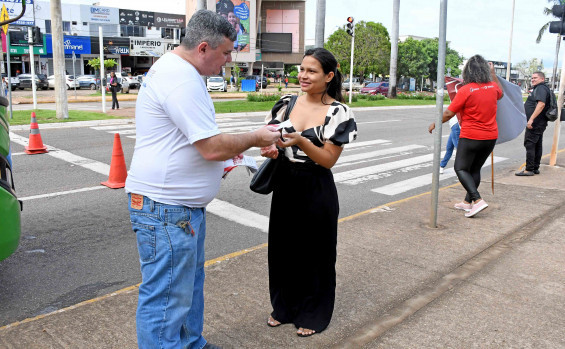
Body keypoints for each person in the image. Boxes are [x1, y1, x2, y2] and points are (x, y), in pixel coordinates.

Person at [124, 10, 280, 349]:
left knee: (187, 287)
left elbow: (193, 141)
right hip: (166, 209)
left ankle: (190, 343)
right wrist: (256, 137)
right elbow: (210, 148)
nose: (228, 60)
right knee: (166, 296)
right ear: (204, 48)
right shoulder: (180, 79)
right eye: (226, 53)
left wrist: (236, 153)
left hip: (179, 210)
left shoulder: (181, 72)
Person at [260, 48, 357, 337]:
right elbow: (271, 139)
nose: (303, 75)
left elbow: (327, 160)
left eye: (311, 71)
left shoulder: (338, 112)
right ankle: (284, 308)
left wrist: (301, 141)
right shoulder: (286, 104)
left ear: (329, 76)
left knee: (316, 253)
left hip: (316, 186)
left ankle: (313, 313)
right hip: (286, 183)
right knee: (282, 250)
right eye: (302, 69)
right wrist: (272, 148)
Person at [428, 55, 503, 218]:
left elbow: (449, 113)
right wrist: (494, 74)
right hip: (490, 137)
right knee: (474, 169)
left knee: (460, 168)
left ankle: (477, 200)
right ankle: (468, 202)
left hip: (471, 136)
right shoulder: (492, 87)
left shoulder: (466, 90)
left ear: (467, 72)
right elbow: (501, 93)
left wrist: (436, 123)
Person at [515, 71, 550, 176]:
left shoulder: (540, 89)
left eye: (535, 78)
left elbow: (541, 104)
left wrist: (531, 119)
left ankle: (529, 169)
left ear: (542, 79)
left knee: (530, 144)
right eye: (532, 78)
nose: (533, 79)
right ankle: (535, 167)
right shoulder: (542, 88)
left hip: (535, 122)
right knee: (537, 145)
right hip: (539, 122)